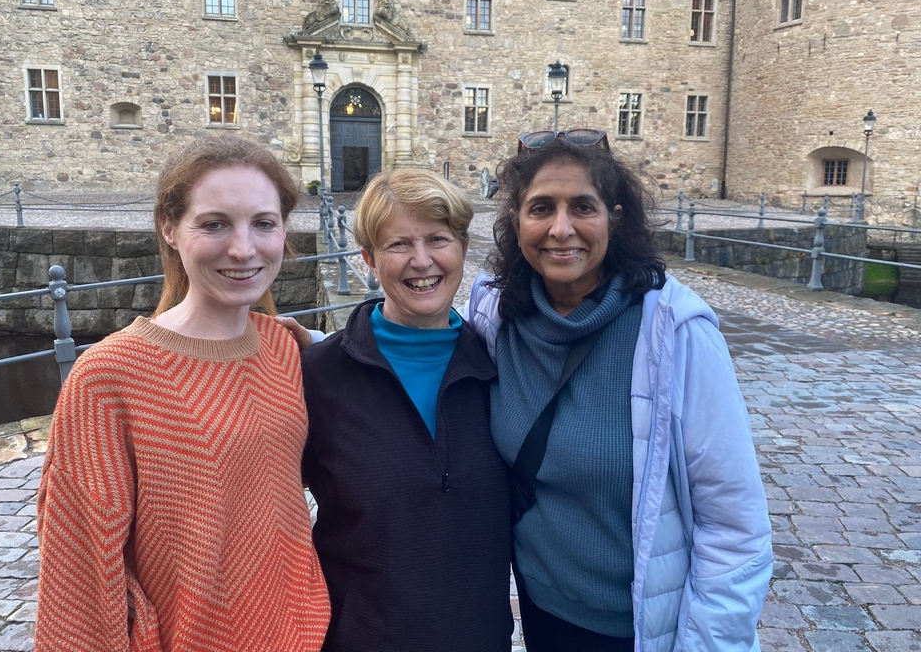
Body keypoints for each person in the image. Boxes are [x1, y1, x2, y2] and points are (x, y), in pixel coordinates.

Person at [460, 130, 772, 651]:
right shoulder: (497, 314)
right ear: (516, 223)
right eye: (541, 208)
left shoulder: (675, 332)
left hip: (636, 629)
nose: (562, 229)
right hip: (541, 610)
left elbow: (734, 525)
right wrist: (321, 346)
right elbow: (425, 353)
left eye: (583, 206)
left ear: (615, 217)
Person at [35, 136, 331, 651]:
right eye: (214, 223)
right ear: (170, 229)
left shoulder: (284, 350)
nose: (244, 248)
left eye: (264, 223)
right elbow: (78, 564)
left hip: (304, 630)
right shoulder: (109, 376)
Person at [300, 169, 513, 652]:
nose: (422, 261)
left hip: (479, 637)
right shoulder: (319, 376)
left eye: (438, 239)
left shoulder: (501, 366)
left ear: (461, 247)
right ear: (369, 260)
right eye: (398, 245)